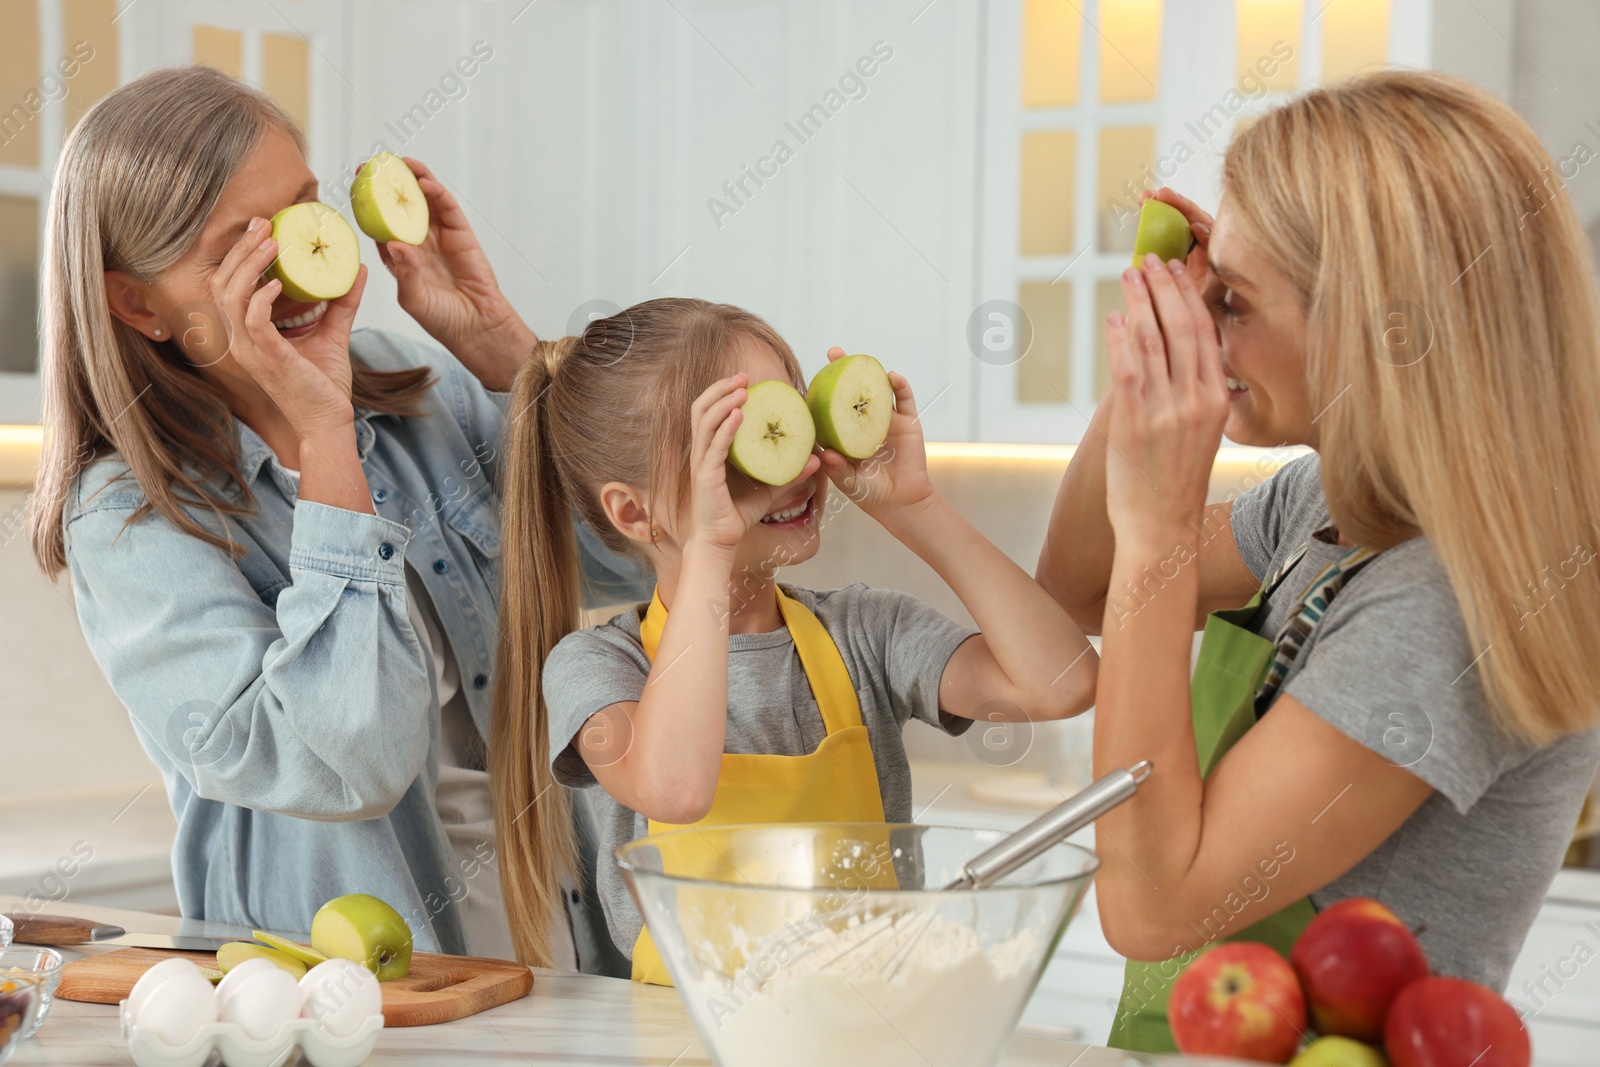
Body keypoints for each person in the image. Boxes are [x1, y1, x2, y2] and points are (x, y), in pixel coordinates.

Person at [26, 66, 648, 969]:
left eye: (304, 210)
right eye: (236, 248)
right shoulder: (126, 521)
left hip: (558, 932)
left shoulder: (408, 385)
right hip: (353, 984)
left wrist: (510, 358)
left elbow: (621, 553)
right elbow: (352, 760)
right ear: (137, 304)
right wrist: (324, 436)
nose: (293, 258)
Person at [1034, 70, 1600, 1050]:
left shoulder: (1447, 605)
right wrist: (1152, 362)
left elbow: (1156, 906)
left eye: (1234, 301)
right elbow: (1078, 587)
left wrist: (1164, 528)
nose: (1208, 324)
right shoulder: (1329, 504)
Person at [489, 297, 1100, 979]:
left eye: (789, 420)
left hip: (866, 1035)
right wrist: (712, 548)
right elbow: (676, 788)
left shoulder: (864, 633)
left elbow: (1065, 679)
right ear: (634, 511)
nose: (796, 466)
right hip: (687, 1040)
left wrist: (917, 508)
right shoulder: (598, 666)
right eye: (733, 448)